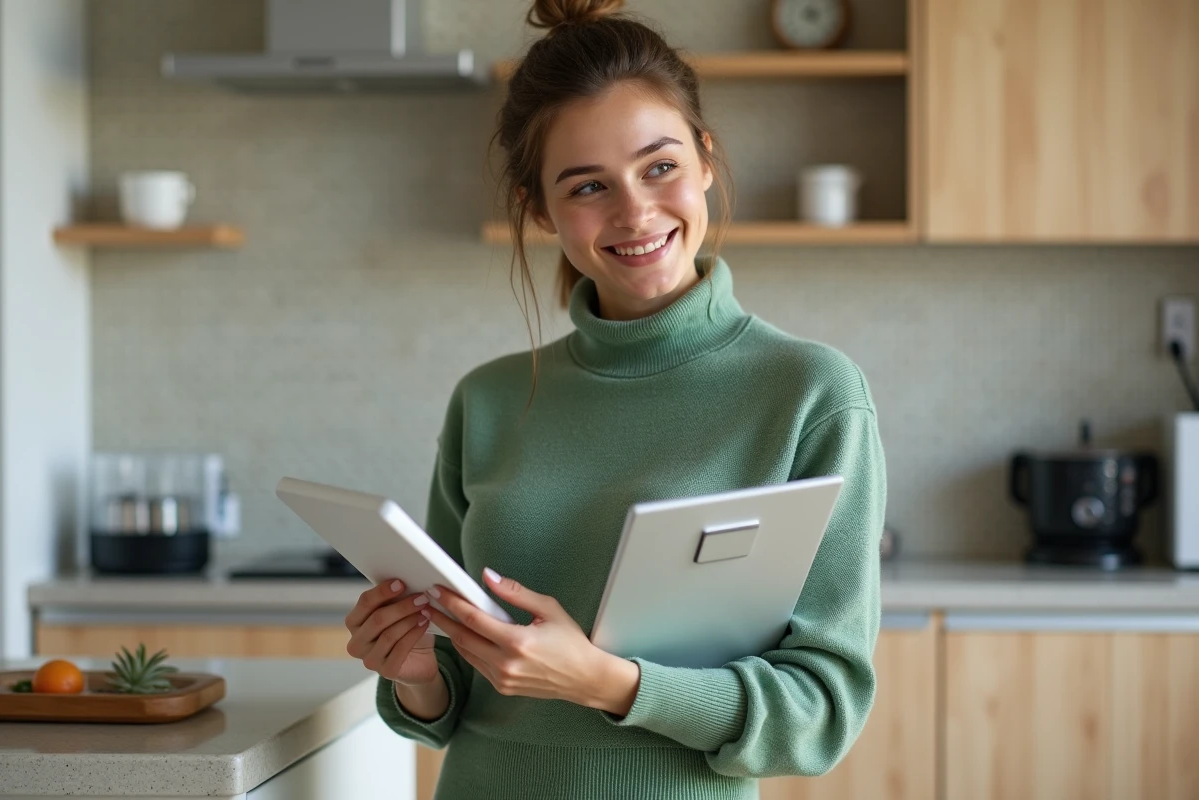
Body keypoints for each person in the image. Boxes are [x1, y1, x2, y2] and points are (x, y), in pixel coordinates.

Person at [342, 0, 887, 797]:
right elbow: (450, 694)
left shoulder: (811, 394)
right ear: (540, 209)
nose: (635, 211)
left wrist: (607, 682)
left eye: (659, 166)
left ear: (705, 159)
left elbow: (822, 712)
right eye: (589, 185)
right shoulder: (487, 401)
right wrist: (416, 670)